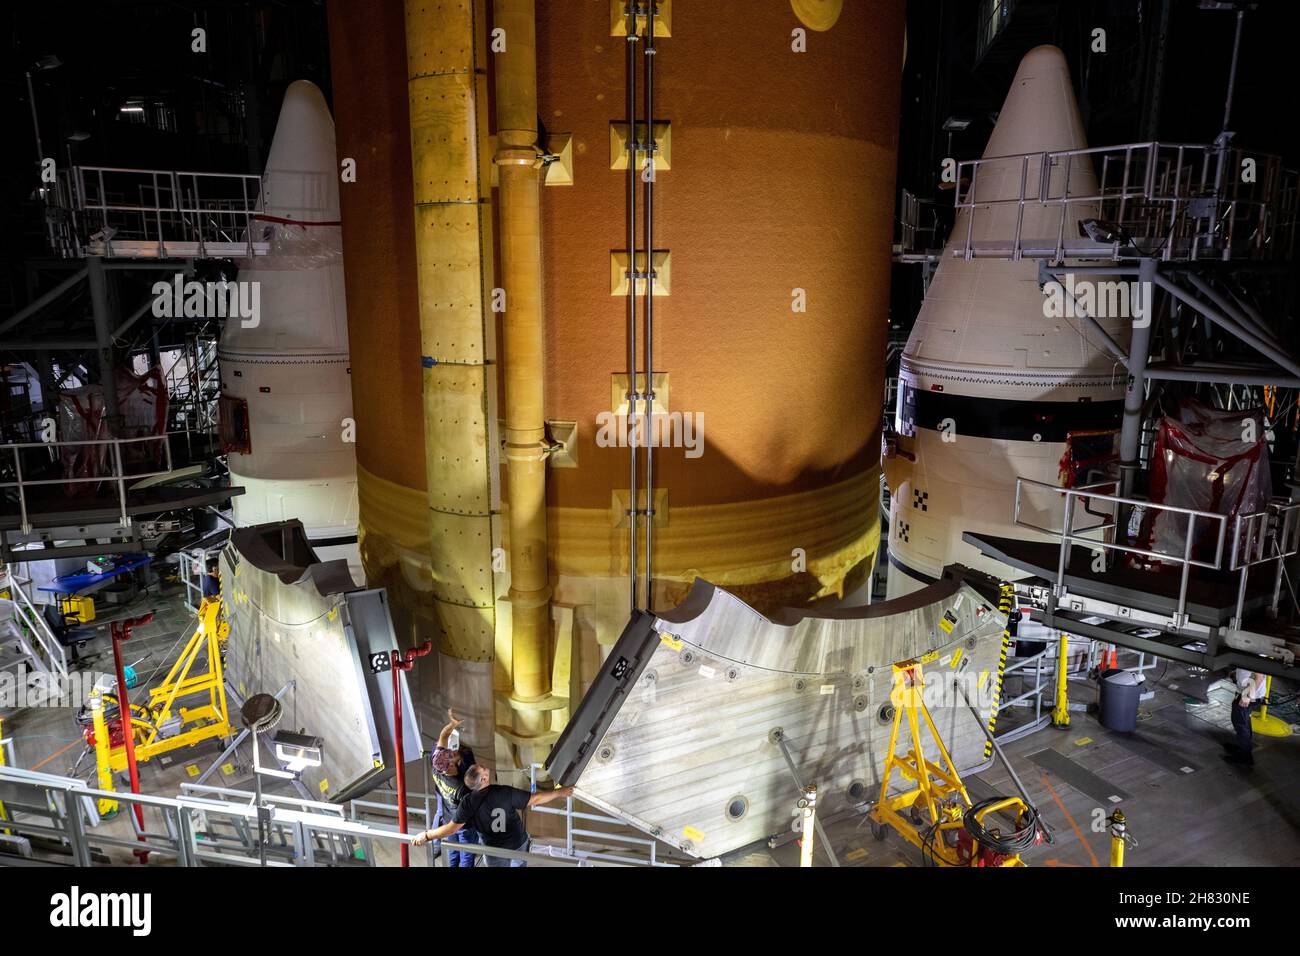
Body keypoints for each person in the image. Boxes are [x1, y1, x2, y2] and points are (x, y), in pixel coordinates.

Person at [414, 764, 574, 867]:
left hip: (493, 850)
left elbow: (450, 829)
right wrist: (561, 792)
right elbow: (536, 798)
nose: (485, 766)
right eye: (482, 768)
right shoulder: (504, 792)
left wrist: (426, 835)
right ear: (484, 779)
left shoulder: (467, 803)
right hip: (518, 844)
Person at [428, 709, 481, 867]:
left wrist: (451, 725)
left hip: (447, 817)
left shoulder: (436, 763)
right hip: (462, 823)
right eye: (454, 755)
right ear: (451, 765)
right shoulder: (461, 787)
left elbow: (443, 737)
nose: (456, 754)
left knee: (452, 851)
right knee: (466, 855)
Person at [1224, 669, 1266, 766]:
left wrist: (1247, 696)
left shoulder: (1255, 654)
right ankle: (1242, 748)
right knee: (1243, 722)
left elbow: (1259, 677)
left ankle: (1244, 756)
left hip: (1247, 695)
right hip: (1246, 692)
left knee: (1241, 724)